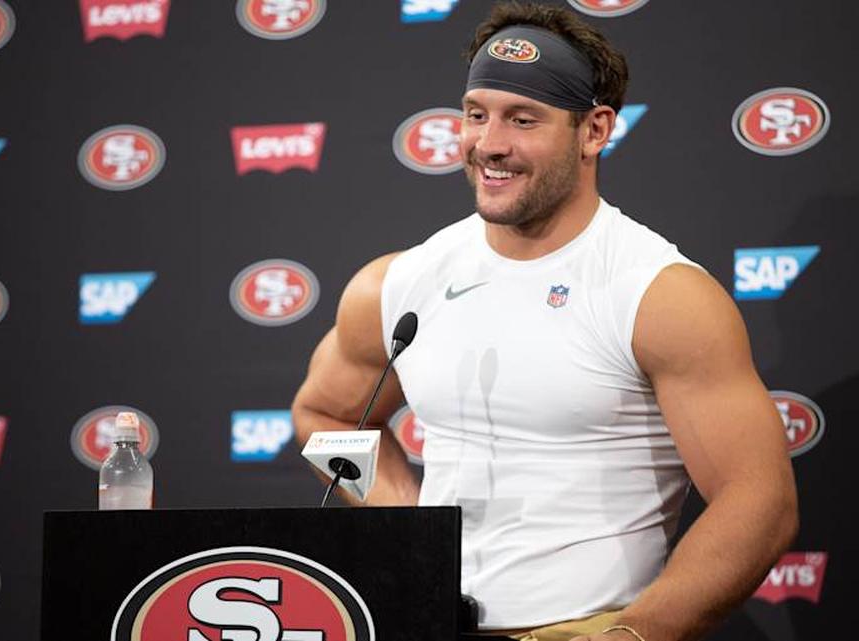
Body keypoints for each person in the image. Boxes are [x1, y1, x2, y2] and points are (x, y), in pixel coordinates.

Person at [291, 3, 798, 640]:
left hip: (587, 627)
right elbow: (327, 414)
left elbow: (760, 503)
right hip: (427, 622)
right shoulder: (399, 282)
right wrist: (411, 527)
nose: (489, 144)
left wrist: (629, 637)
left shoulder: (660, 295)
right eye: (476, 114)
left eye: (523, 119)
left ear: (594, 131)